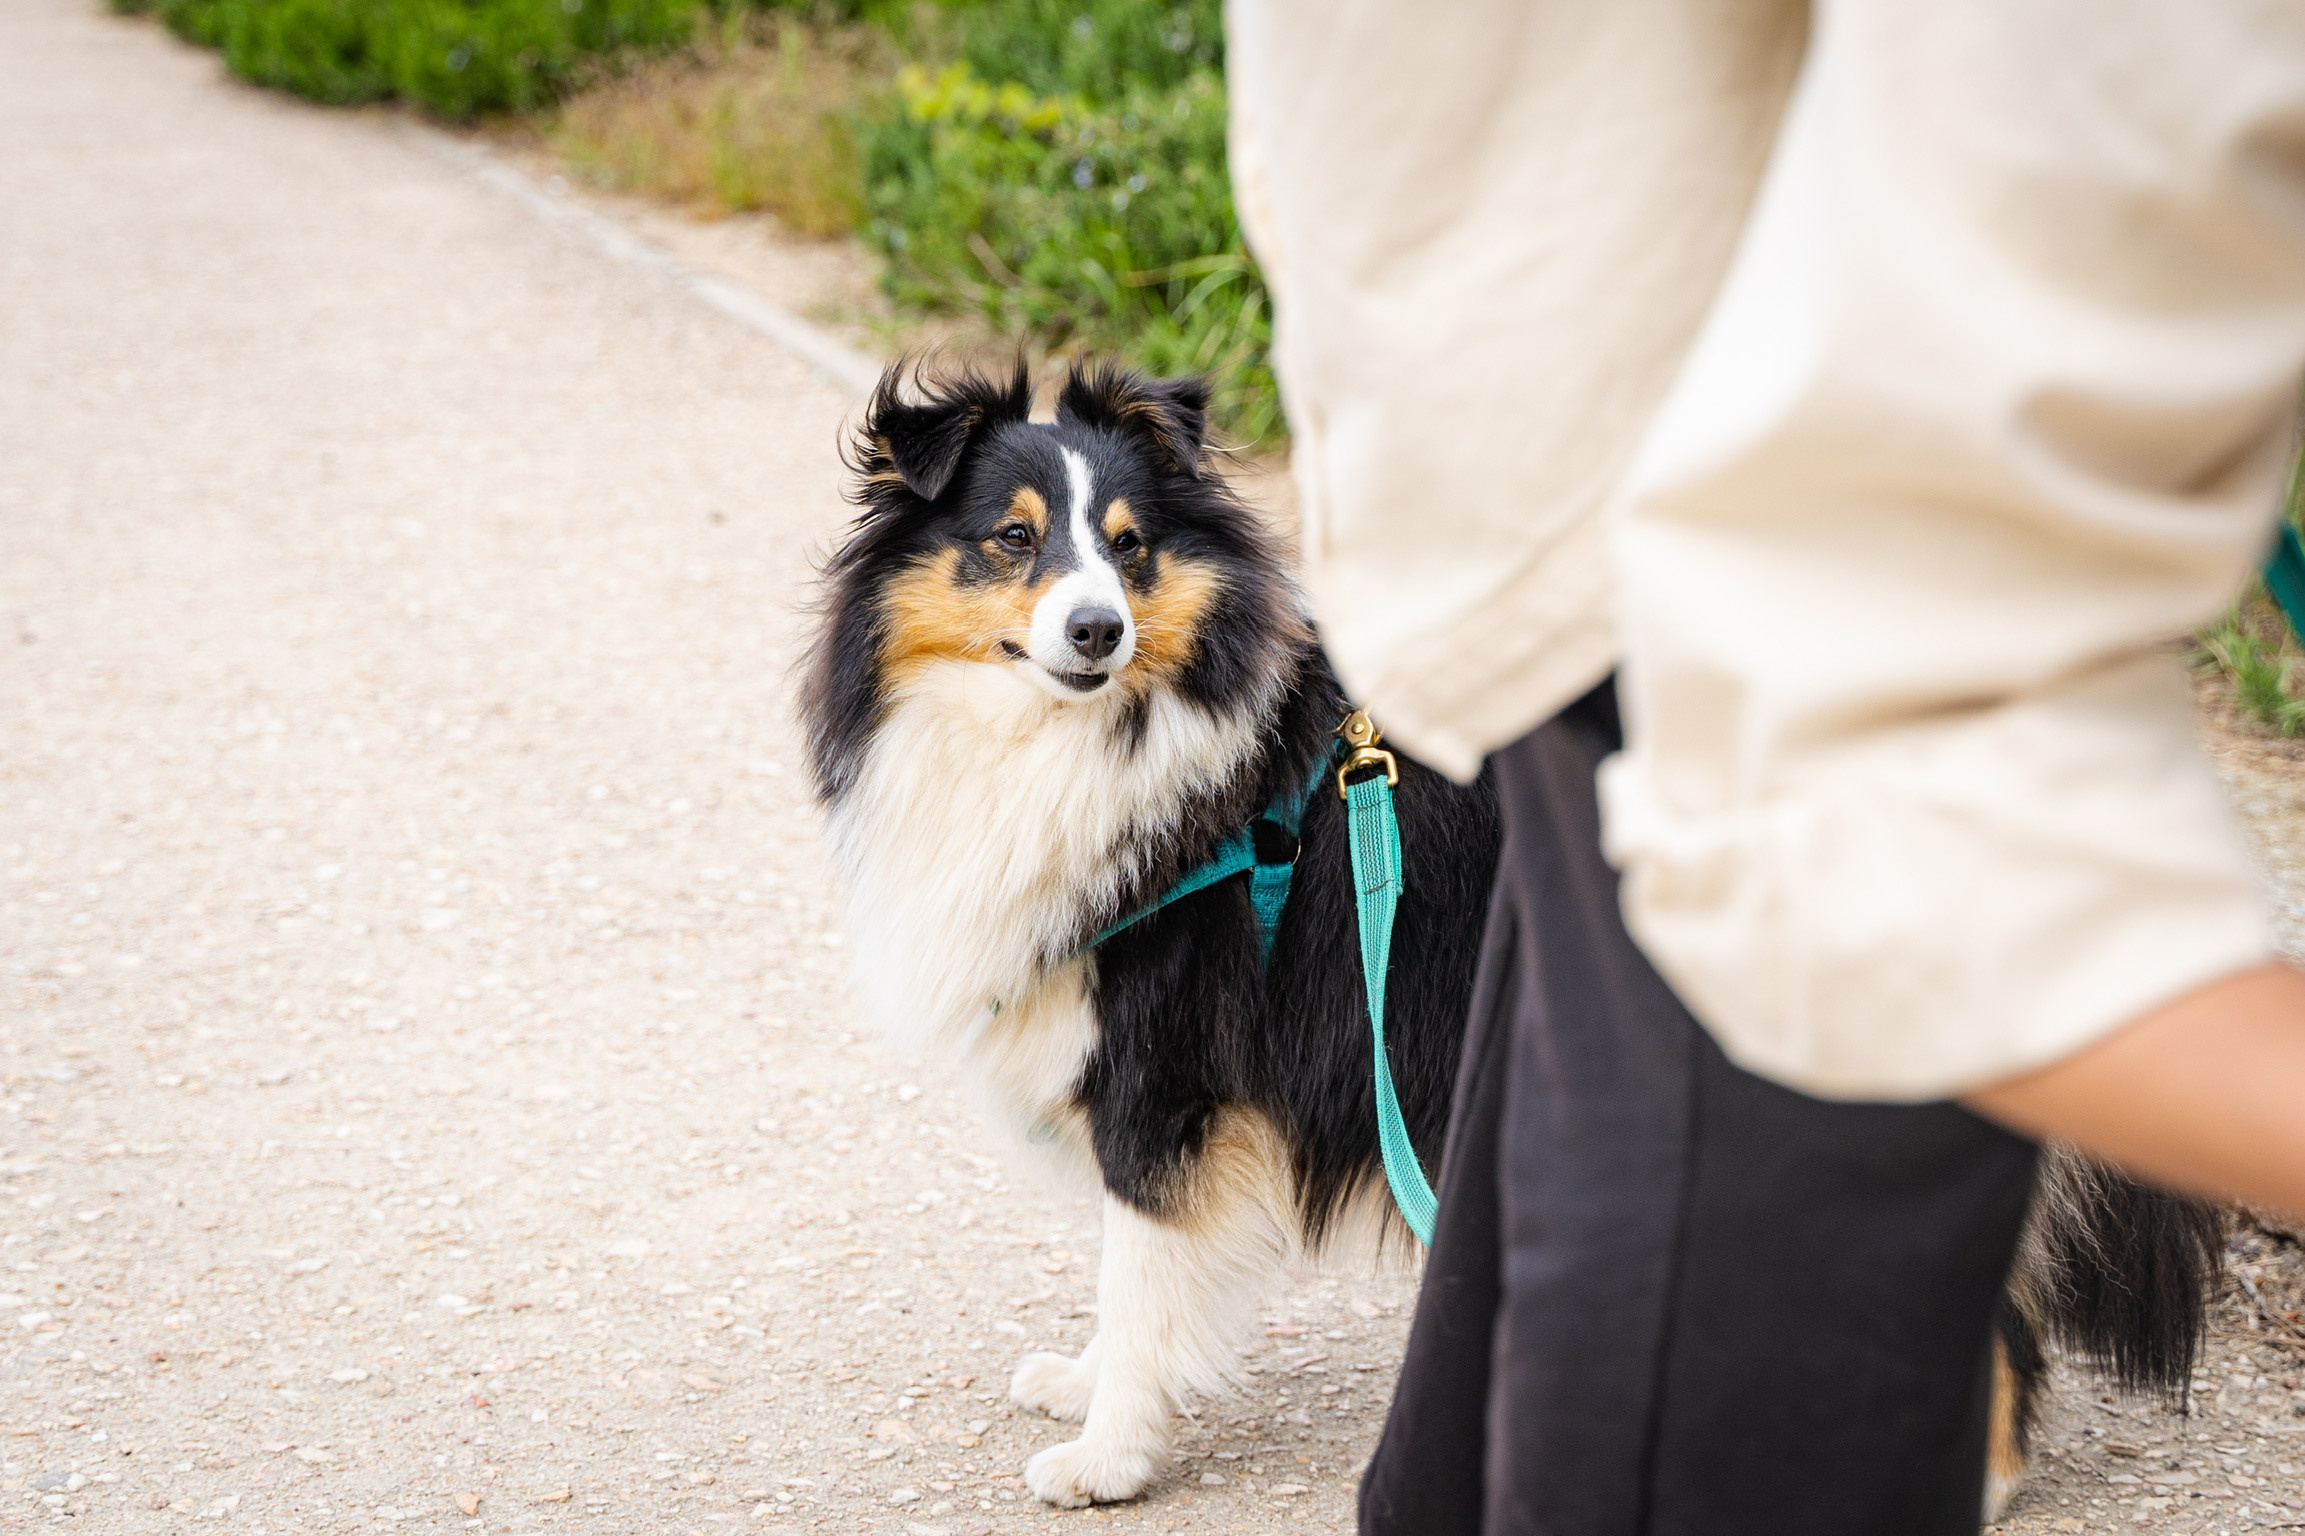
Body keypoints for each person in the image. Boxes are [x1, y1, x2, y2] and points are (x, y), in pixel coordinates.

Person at [1222, 1, 2305, 1529]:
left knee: (1597, 1159)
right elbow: (1857, 823)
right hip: (1732, 468)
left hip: (1558, 371)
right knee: (1751, 1187)